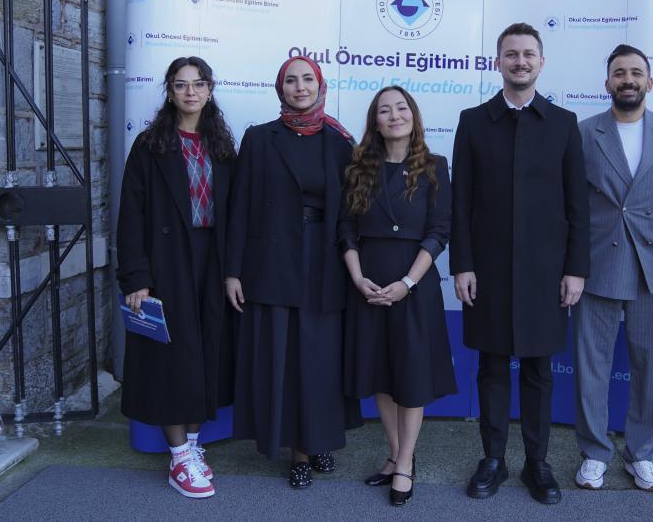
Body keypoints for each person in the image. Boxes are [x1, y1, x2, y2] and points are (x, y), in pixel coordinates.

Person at [451, 22, 590, 505]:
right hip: (487, 270)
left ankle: (537, 462)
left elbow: (578, 205)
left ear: (541, 62)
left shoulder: (563, 123)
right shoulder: (473, 121)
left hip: (546, 273)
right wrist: (462, 264)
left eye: (528, 54)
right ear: (498, 62)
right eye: (511, 54)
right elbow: (461, 202)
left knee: (538, 370)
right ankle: (493, 459)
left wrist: (576, 269)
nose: (520, 61)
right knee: (491, 367)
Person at [225, 55, 361, 489]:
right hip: (273, 262)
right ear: (279, 88)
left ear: (320, 86)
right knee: (286, 359)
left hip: (325, 261)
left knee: (321, 359)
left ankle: (318, 440)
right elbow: (239, 207)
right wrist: (233, 271)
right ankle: (298, 453)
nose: (300, 87)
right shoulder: (259, 138)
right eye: (291, 80)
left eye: (307, 79)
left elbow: (351, 214)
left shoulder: (341, 142)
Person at [117, 55, 237, 499]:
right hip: (166, 262)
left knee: (205, 353)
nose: (191, 92)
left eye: (198, 84)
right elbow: (131, 214)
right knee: (172, 357)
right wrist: (136, 276)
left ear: (209, 90)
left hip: (212, 261)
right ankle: (179, 457)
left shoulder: (222, 146)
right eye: (181, 84)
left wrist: (236, 270)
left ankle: (193, 444)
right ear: (169, 91)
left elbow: (237, 214)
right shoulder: (149, 146)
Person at [572, 44, 653, 492]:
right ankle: (594, 453)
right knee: (591, 365)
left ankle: (642, 453)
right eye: (619, 72)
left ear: (649, 82)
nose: (628, 79)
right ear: (607, 83)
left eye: (636, 72)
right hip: (597, 263)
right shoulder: (584, 132)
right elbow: (570, 206)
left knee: (651, 366)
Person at [340, 86, 456, 507]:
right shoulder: (358, 168)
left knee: (411, 375)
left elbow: (439, 231)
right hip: (368, 284)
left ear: (414, 115)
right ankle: (395, 453)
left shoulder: (435, 166)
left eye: (401, 108)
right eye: (385, 110)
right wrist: (357, 277)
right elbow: (346, 230)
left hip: (414, 285)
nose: (394, 115)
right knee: (381, 374)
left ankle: (406, 461)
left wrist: (407, 282)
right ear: (375, 120)